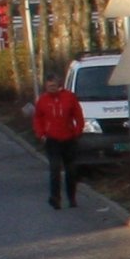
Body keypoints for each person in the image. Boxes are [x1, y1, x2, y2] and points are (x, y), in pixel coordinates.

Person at [29, 71, 86, 208]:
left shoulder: (69, 98)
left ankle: (71, 197)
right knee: (54, 169)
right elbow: (37, 118)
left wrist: (78, 131)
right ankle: (55, 198)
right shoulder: (42, 100)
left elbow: (78, 116)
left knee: (70, 170)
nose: (51, 89)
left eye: (54, 86)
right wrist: (41, 134)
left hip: (69, 139)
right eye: (49, 86)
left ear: (59, 85)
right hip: (52, 140)